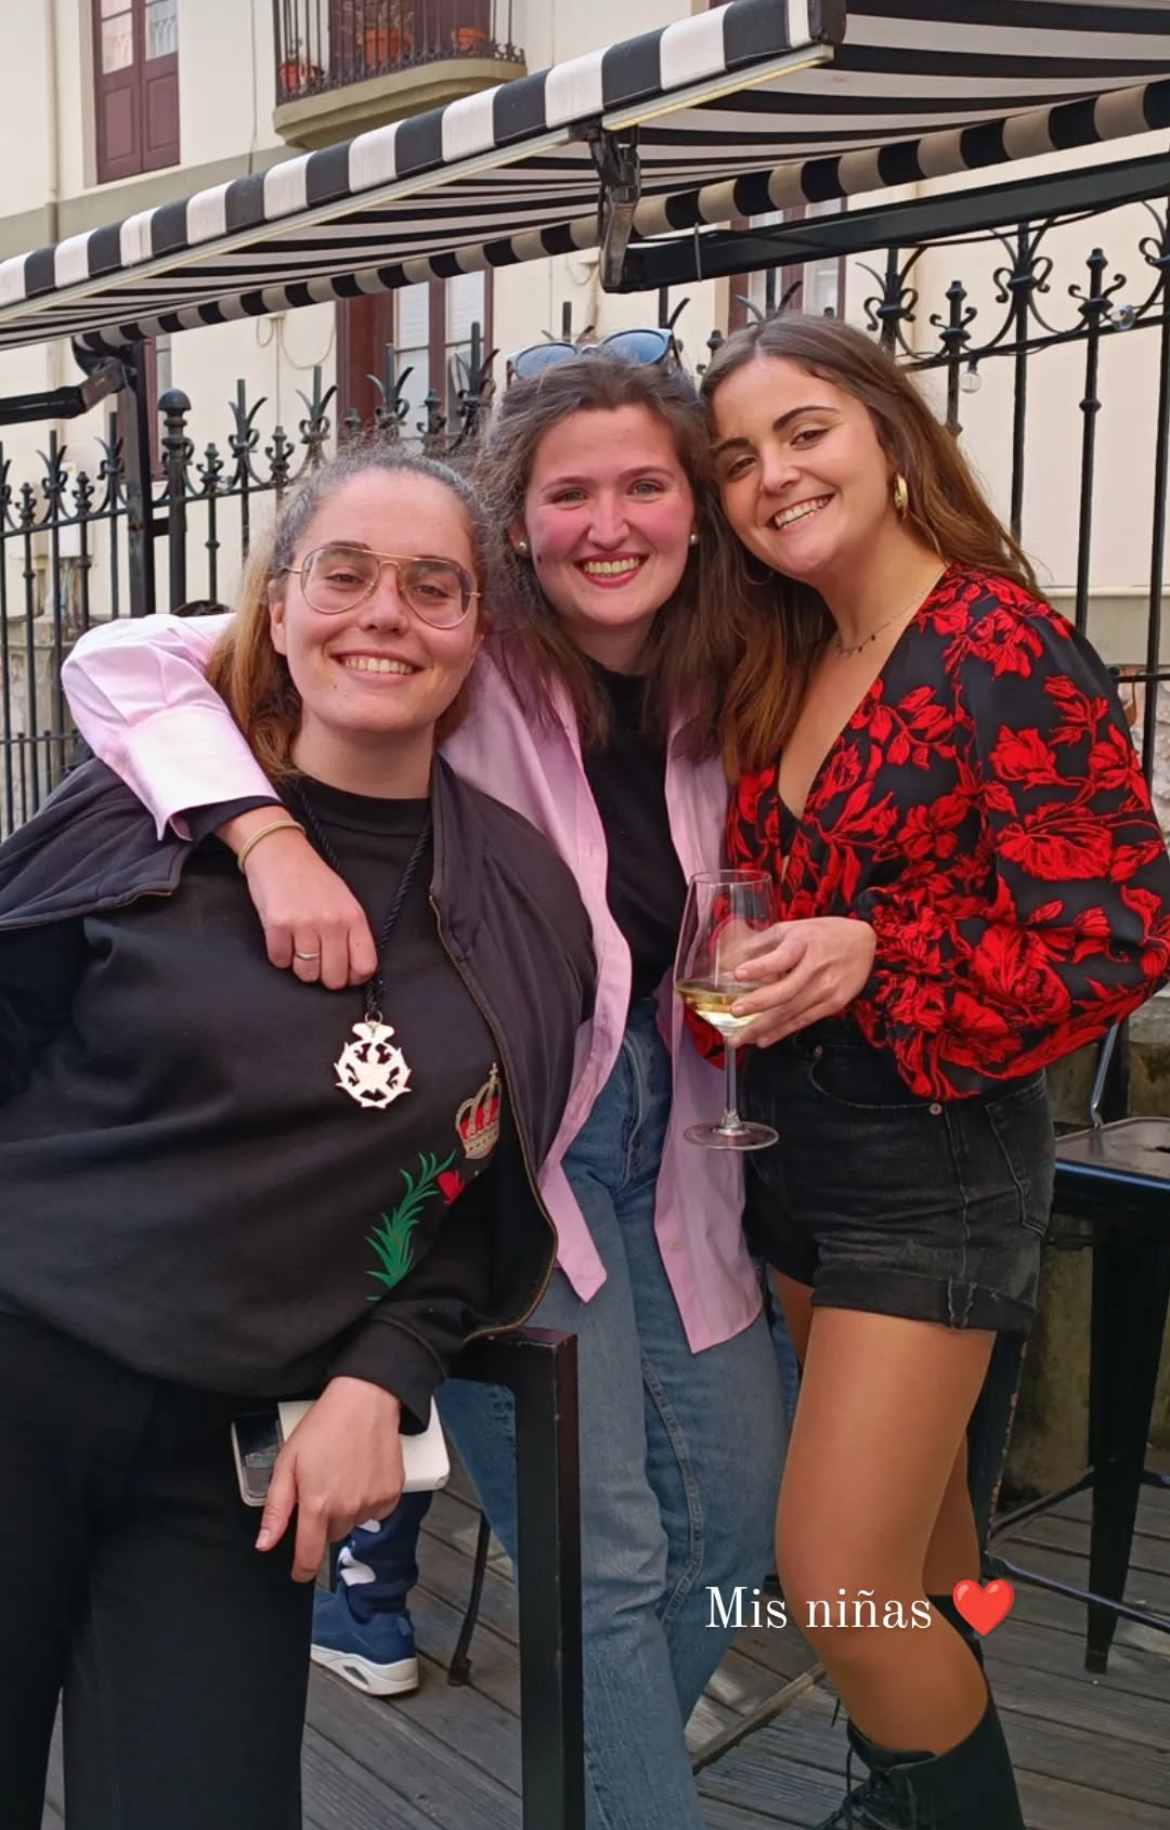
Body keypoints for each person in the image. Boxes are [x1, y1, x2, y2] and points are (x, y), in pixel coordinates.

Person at [61, 356, 789, 1830]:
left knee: (734, 1527)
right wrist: (264, 834)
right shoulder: (460, 646)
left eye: (644, 485)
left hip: (675, 1143)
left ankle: (605, 1773)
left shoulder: (729, 676)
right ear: (517, 526)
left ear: (697, 511)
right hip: (507, 1143)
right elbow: (124, 663)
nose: (607, 523)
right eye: (567, 492)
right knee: (606, 1563)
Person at [0, 446, 594, 1830]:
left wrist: (382, 1375)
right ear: (277, 610)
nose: (384, 611)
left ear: (478, 633)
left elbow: (482, 1201)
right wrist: (262, 837)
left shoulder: (521, 899)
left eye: (432, 585)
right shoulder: (143, 809)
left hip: (232, 1466)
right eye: (344, 574)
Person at [699, 313, 1170, 1830]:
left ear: (890, 437)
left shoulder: (996, 643)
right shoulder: (790, 650)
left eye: (805, 432)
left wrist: (876, 951)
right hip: (794, 1152)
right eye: (735, 459)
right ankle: (909, 1797)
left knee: (836, 1581)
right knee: (916, 1559)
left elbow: (1117, 930)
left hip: (933, 1155)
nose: (772, 476)